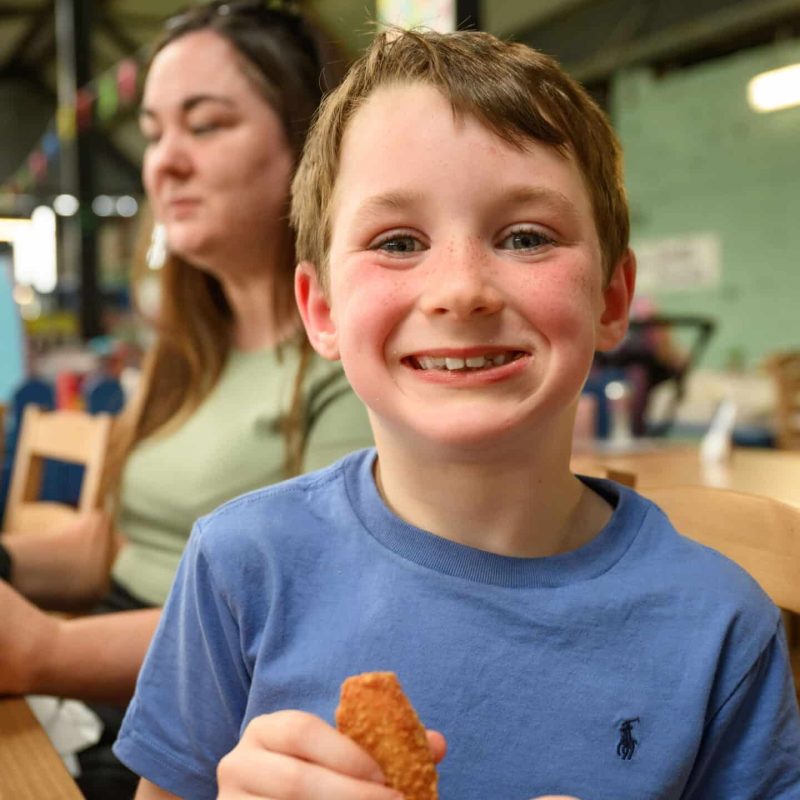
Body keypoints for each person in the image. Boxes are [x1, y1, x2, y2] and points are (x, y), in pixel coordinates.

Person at [115, 28, 800, 800]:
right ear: (322, 309)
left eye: (527, 237)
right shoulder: (239, 565)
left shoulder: (721, 627)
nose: (461, 289)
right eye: (399, 241)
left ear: (611, 298)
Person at [0, 3, 371, 798]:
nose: (161, 162)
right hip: (96, 660)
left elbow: (324, 625)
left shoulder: (348, 362)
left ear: (310, 146)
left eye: (204, 126)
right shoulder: (189, 348)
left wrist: (43, 650)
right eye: (154, 130)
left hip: (198, 722)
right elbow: (112, 547)